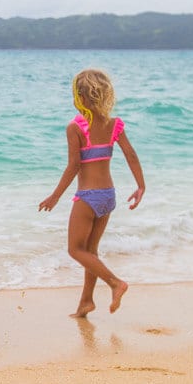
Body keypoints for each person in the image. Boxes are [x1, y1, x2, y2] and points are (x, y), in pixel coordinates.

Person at [39, 69, 145, 317]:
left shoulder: (75, 127)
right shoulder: (113, 124)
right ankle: (86, 302)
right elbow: (130, 154)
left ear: (81, 97)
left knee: (75, 250)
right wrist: (141, 186)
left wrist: (55, 196)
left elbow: (74, 166)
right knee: (90, 251)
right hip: (108, 196)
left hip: (88, 198)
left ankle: (115, 283)